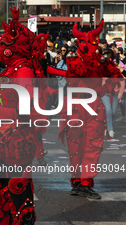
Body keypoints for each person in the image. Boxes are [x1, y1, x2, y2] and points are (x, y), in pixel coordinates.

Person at [0, 7, 49, 225]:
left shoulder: (24, 71)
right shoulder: (9, 70)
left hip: (18, 136)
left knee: (18, 184)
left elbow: (29, 106)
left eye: (4, 43)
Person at [48, 20, 124, 199]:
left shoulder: (100, 62)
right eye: (84, 43)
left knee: (93, 145)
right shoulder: (75, 62)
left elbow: (116, 75)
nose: (89, 47)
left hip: (93, 108)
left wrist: (108, 82)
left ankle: (84, 183)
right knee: (76, 145)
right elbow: (72, 75)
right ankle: (77, 182)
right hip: (75, 106)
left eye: (92, 43)